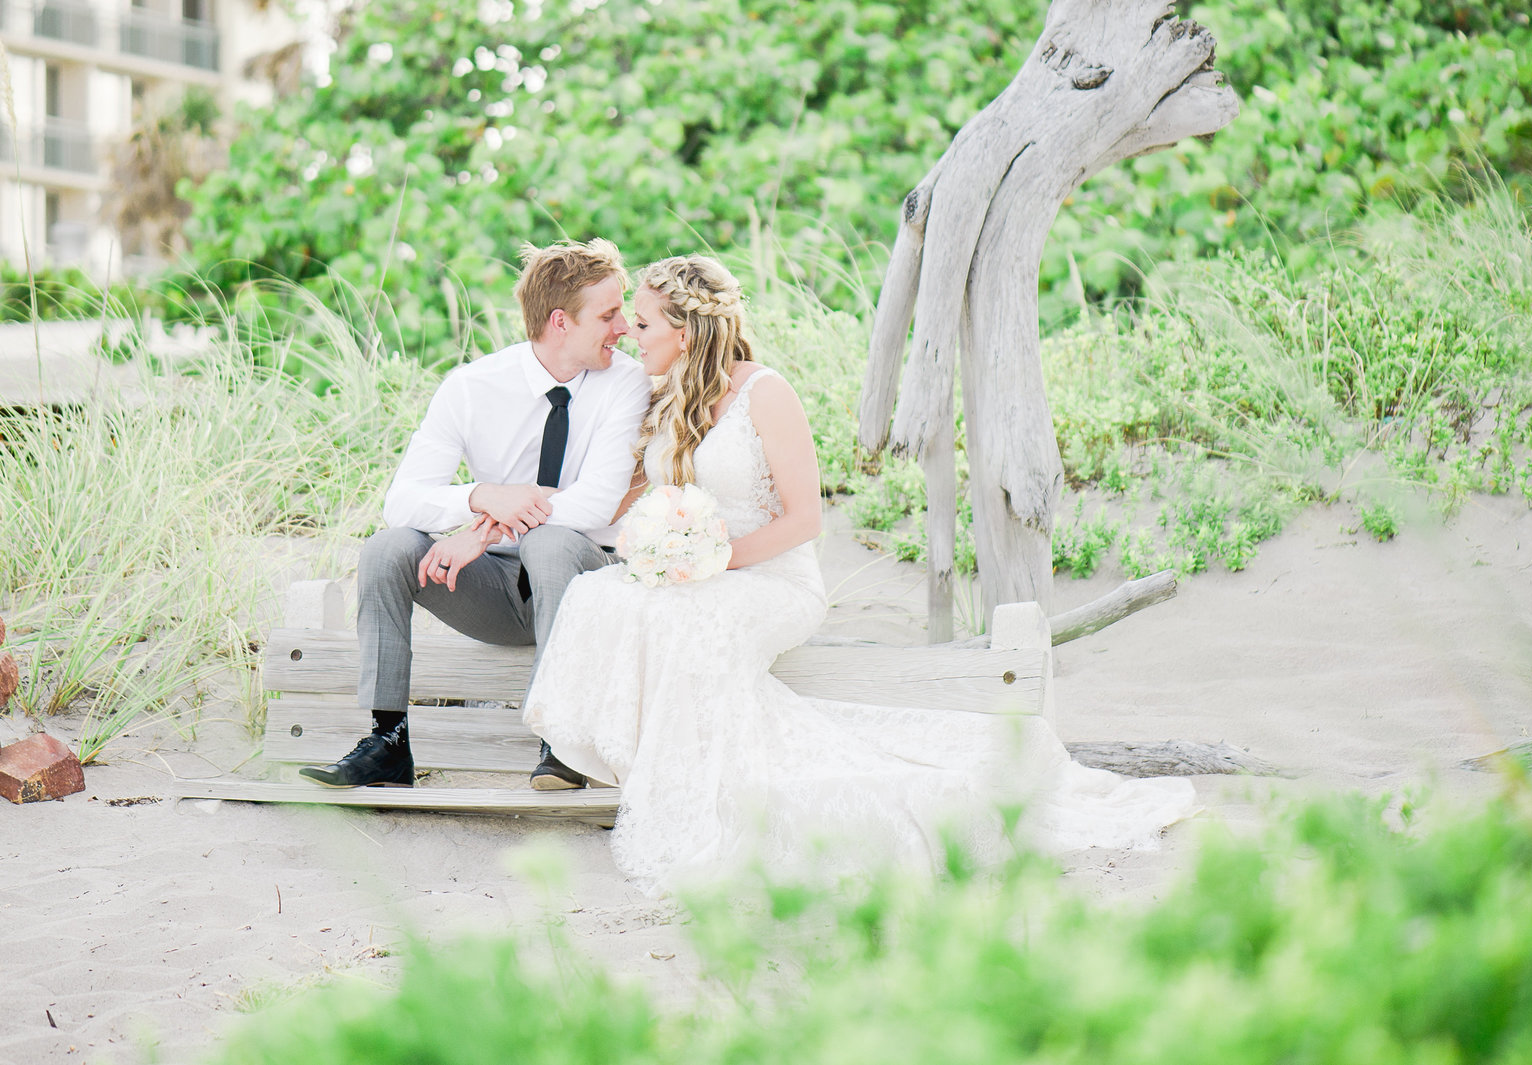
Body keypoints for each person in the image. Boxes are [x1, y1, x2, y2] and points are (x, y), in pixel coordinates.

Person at [524, 255, 1196, 893]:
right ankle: (618, 763)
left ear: (685, 326)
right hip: (702, 574)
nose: (628, 334)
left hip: (771, 580)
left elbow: (803, 522)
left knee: (685, 617)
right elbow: (619, 499)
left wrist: (713, 559)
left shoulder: (766, 393)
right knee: (599, 593)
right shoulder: (662, 396)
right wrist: (579, 528)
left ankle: (699, 792)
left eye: (640, 323)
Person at [301, 238, 652, 789]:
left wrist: (481, 531)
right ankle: (386, 741)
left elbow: (597, 501)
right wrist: (480, 494)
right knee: (387, 548)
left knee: (551, 541)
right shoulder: (471, 386)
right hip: (497, 597)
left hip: (584, 583)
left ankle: (561, 742)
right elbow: (403, 500)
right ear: (560, 322)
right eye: (609, 314)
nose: (625, 326)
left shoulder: (626, 381)